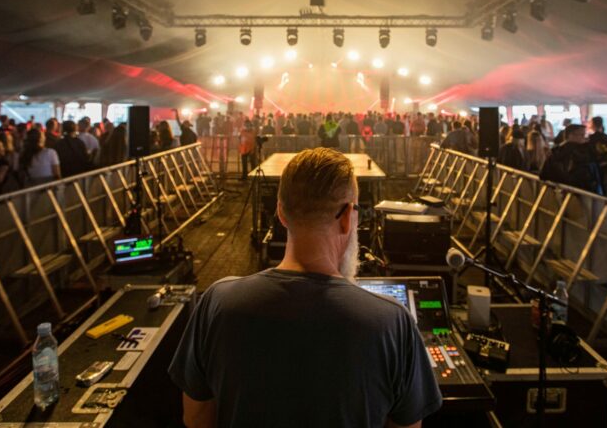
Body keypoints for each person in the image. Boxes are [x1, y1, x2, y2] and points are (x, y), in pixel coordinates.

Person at [169, 148, 442, 428]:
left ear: (281, 213)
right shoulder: (392, 322)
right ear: (348, 216)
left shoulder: (217, 302)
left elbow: (196, 418)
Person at [540, 124, 600, 192]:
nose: (585, 138)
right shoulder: (580, 152)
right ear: (571, 135)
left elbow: (544, 174)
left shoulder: (555, 151)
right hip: (580, 191)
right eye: (582, 135)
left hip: (559, 189)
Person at [588, 117, 607, 196]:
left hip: (593, 166)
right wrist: (605, 161)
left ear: (593, 124)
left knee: (594, 186)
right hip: (605, 166)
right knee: (604, 186)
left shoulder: (590, 139)